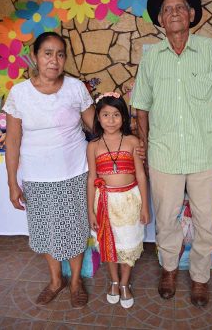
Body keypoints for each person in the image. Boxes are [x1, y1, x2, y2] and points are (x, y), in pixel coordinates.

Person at [131, 0, 212, 307]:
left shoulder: (211, 50)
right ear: (160, 21)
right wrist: (144, 144)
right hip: (164, 154)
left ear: (192, 15)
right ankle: (168, 269)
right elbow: (141, 106)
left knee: (207, 220)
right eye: (167, 9)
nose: (174, 13)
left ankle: (200, 277)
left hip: (206, 153)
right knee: (166, 218)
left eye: (180, 7)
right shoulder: (150, 59)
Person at [3, 31, 95, 308]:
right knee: (46, 232)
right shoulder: (19, 94)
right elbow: (13, 140)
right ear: (35, 56)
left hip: (75, 172)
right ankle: (56, 280)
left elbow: (96, 128)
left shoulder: (76, 88)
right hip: (37, 177)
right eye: (47, 53)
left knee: (76, 230)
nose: (54, 60)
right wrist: (12, 183)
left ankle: (76, 281)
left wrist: (126, 142)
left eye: (60, 54)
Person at [86, 92, 150, 309]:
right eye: (105, 115)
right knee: (108, 243)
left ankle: (124, 283)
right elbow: (92, 178)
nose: (111, 120)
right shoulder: (94, 145)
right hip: (104, 203)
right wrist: (91, 211)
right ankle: (114, 280)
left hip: (130, 202)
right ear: (98, 118)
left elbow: (140, 175)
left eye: (116, 115)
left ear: (124, 117)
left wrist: (145, 207)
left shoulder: (132, 141)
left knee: (128, 243)